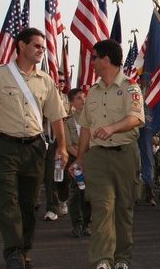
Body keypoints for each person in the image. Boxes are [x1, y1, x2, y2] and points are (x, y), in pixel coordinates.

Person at [0, 27, 68, 269]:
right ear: (21, 46)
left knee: (29, 203)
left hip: (34, 148)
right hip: (4, 147)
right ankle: (13, 251)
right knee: (8, 200)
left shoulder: (45, 81)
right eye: (36, 46)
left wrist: (62, 147)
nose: (41, 51)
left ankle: (24, 248)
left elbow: (56, 117)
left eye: (43, 47)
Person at [76, 39, 145, 269]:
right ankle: (102, 259)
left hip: (125, 154)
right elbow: (86, 126)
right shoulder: (92, 93)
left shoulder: (130, 87)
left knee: (123, 207)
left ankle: (122, 258)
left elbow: (136, 118)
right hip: (97, 157)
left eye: (95, 57)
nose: (92, 62)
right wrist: (80, 156)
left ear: (106, 60)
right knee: (102, 206)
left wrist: (113, 128)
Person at [65, 88, 92, 238]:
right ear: (72, 103)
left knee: (88, 194)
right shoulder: (69, 122)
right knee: (76, 193)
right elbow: (68, 145)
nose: (82, 101)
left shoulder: (93, 118)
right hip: (75, 161)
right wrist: (81, 157)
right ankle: (77, 224)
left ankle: (87, 223)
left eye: (83, 98)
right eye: (78, 99)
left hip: (91, 160)